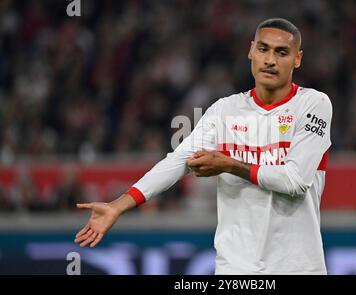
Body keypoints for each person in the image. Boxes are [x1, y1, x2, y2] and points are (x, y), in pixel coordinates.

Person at [75, 18, 332, 275]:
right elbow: (178, 161)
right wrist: (118, 206)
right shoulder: (225, 110)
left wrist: (229, 164)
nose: (270, 60)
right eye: (263, 49)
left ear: (297, 59)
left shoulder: (313, 105)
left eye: (282, 52)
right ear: (251, 50)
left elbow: (294, 181)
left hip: (297, 268)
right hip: (236, 270)